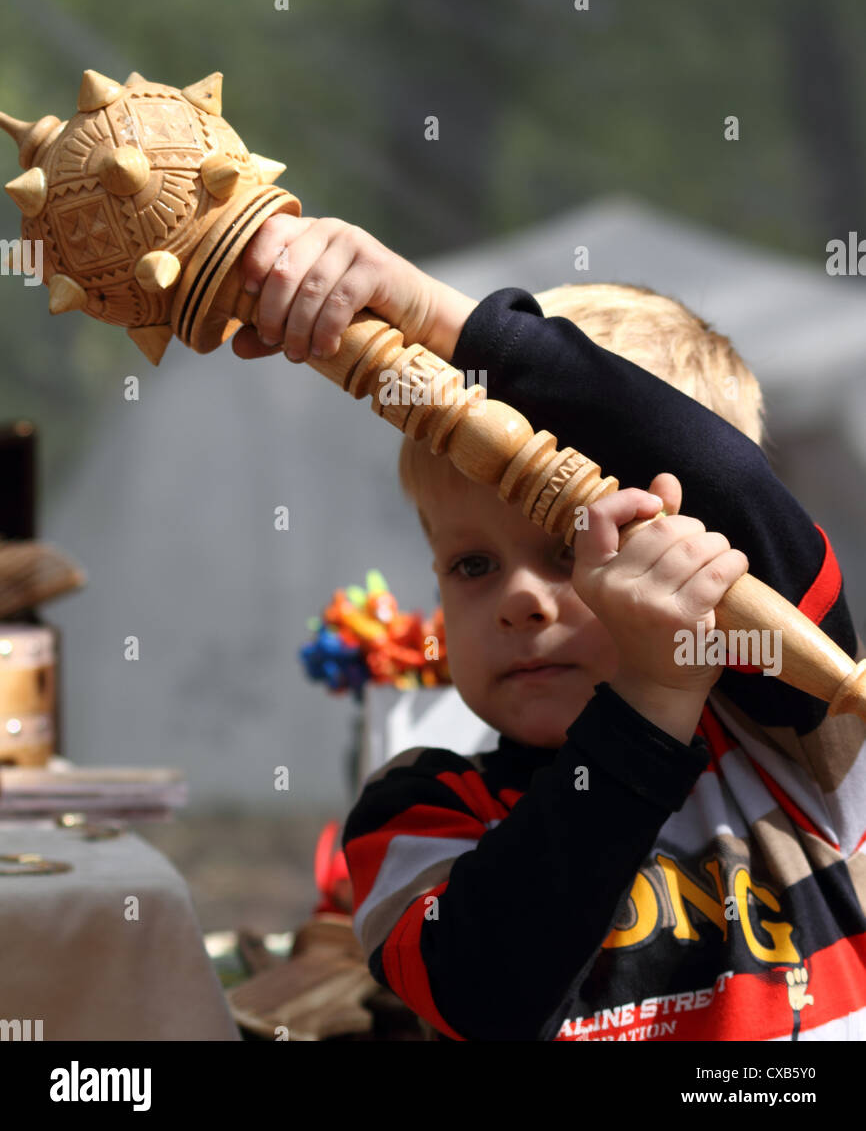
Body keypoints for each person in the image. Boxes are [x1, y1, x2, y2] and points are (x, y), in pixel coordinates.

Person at [234, 214, 866, 1042]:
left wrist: (436, 317)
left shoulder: (795, 736)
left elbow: (725, 479)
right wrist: (648, 701)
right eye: (473, 565)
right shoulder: (419, 812)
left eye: (572, 548)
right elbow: (484, 992)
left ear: (710, 555)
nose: (520, 599)